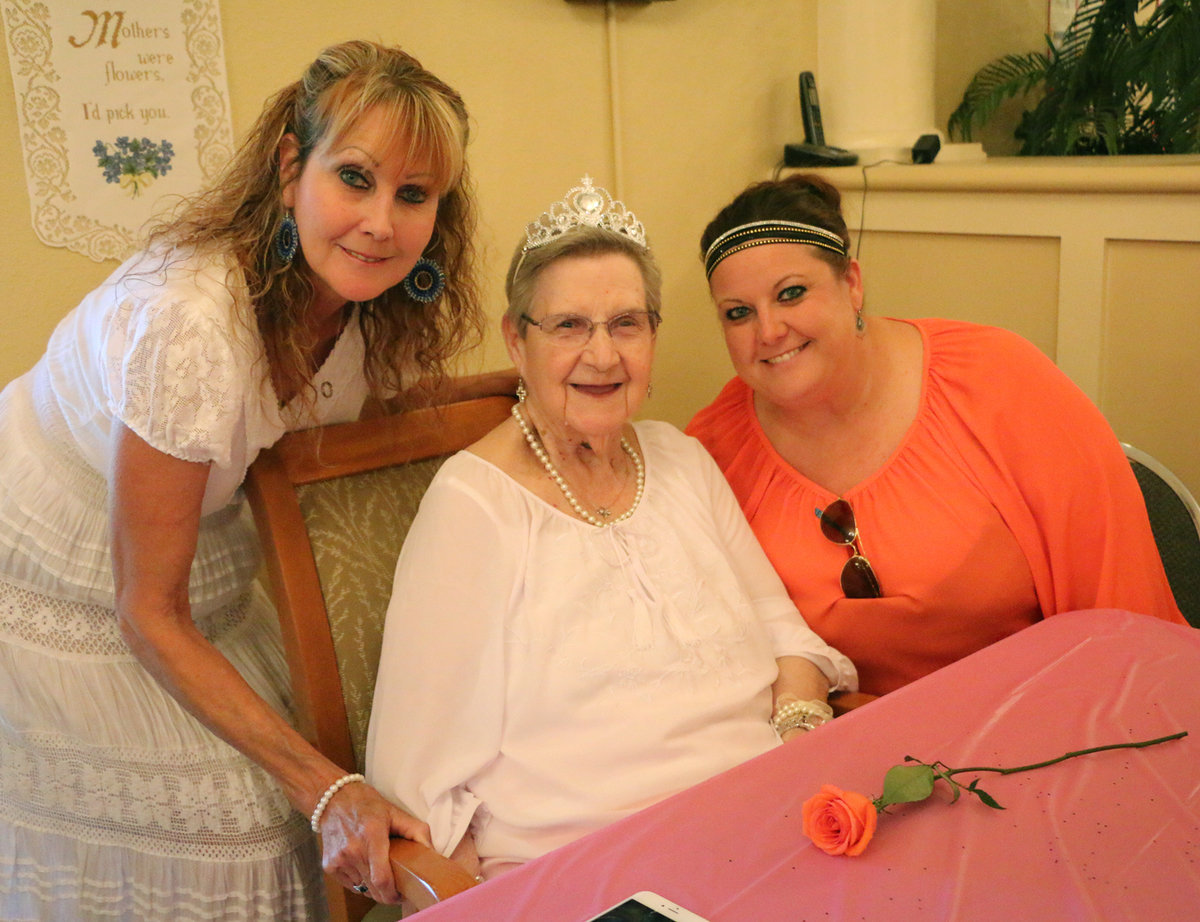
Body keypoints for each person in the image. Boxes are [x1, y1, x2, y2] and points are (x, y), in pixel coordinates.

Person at [0, 40, 485, 919]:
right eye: (355, 178)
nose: (381, 221)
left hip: (186, 564)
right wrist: (326, 787)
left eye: (413, 195)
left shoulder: (362, 307)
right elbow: (147, 610)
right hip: (49, 572)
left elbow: (394, 409)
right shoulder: (189, 326)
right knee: (246, 825)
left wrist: (546, 382)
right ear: (289, 167)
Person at [366, 177, 856, 880]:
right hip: (594, 874)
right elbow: (416, 788)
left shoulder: (681, 459)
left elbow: (785, 639)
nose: (602, 356)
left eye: (627, 323)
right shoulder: (474, 507)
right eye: (568, 326)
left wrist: (801, 750)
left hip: (773, 831)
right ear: (517, 339)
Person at [685, 173, 1186, 698]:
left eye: (792, 293)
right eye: (738, 313)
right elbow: (721, 663)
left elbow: (1123, 620)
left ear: (851, 284)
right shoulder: (712, 452)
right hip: (832, 752)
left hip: (1041, 727)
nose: (768, 331)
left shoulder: (999, 383)